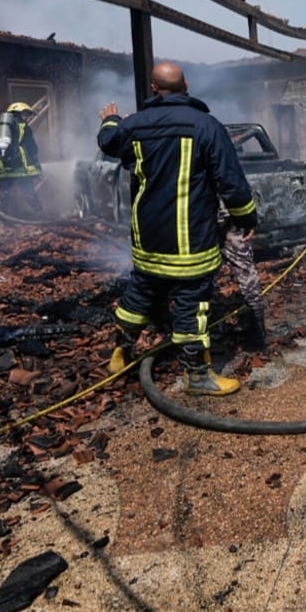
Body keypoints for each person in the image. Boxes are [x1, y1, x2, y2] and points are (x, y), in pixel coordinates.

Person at [97, 61, 257, 396]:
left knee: (138, 294)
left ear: (154, 89)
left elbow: (109, 142)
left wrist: (111, 119)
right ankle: (197, 377)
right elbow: (232, 182)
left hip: (147, 238)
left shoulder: (133, 126)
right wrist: (246, 219)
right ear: (186, 86)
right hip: (190, 242)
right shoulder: (206, 126)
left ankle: (120, 353)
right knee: (192, 305)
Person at [0, 102, 43, 218]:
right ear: (18, 113)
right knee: (28, 192)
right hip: (20, 167)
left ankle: (1, 220)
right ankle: (40, 215)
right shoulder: (23, 126)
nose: (26, 118)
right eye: (25, 115)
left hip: (1, 168)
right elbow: (32, 148)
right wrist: (36, 165)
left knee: (3, 193)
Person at [217, 205, 266, 348]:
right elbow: (236, 188)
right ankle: (257, 334)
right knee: (245, 271)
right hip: (226, 216)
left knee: (200, 277)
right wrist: (248, 220)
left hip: (196, 219)